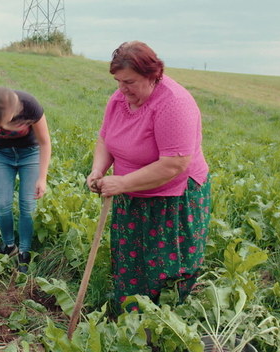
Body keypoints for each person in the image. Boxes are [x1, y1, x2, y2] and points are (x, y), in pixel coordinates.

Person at [86, 41, 211, 312]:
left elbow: (173, 165)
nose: (122, 89)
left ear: (153, 75)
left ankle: (164, 322)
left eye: (129, 82)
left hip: (173, 196)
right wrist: (99, 170)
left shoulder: (174, 104)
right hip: (130, 191)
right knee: (131, 260)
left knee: (165, 264)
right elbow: (106, 138)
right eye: (118, 81)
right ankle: (129, 317)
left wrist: (122, 182)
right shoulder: (120, 98)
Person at [0, 86, 51, 273]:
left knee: (27, 206)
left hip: (30, 154)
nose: (0, 125)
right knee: (3, 205)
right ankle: (9, 246)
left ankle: (24, 251)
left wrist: (42, 177)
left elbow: (45, 142)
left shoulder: (30, 106)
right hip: (2, 155)